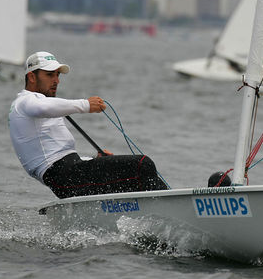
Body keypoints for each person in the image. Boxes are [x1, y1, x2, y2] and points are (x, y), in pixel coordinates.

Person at [9, 51, 167, 199]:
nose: (56, 80)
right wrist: (85, 105)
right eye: (50, 75)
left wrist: (91, 160)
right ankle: (172, 205)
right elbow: (42, 108)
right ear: (31, 77)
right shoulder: (25, 102)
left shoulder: (42, 105)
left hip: (70, 174)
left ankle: (164, 206)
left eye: (58, 75)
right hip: (63, 177)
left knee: (133, 180)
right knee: (142, 164)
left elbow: (59, 153)